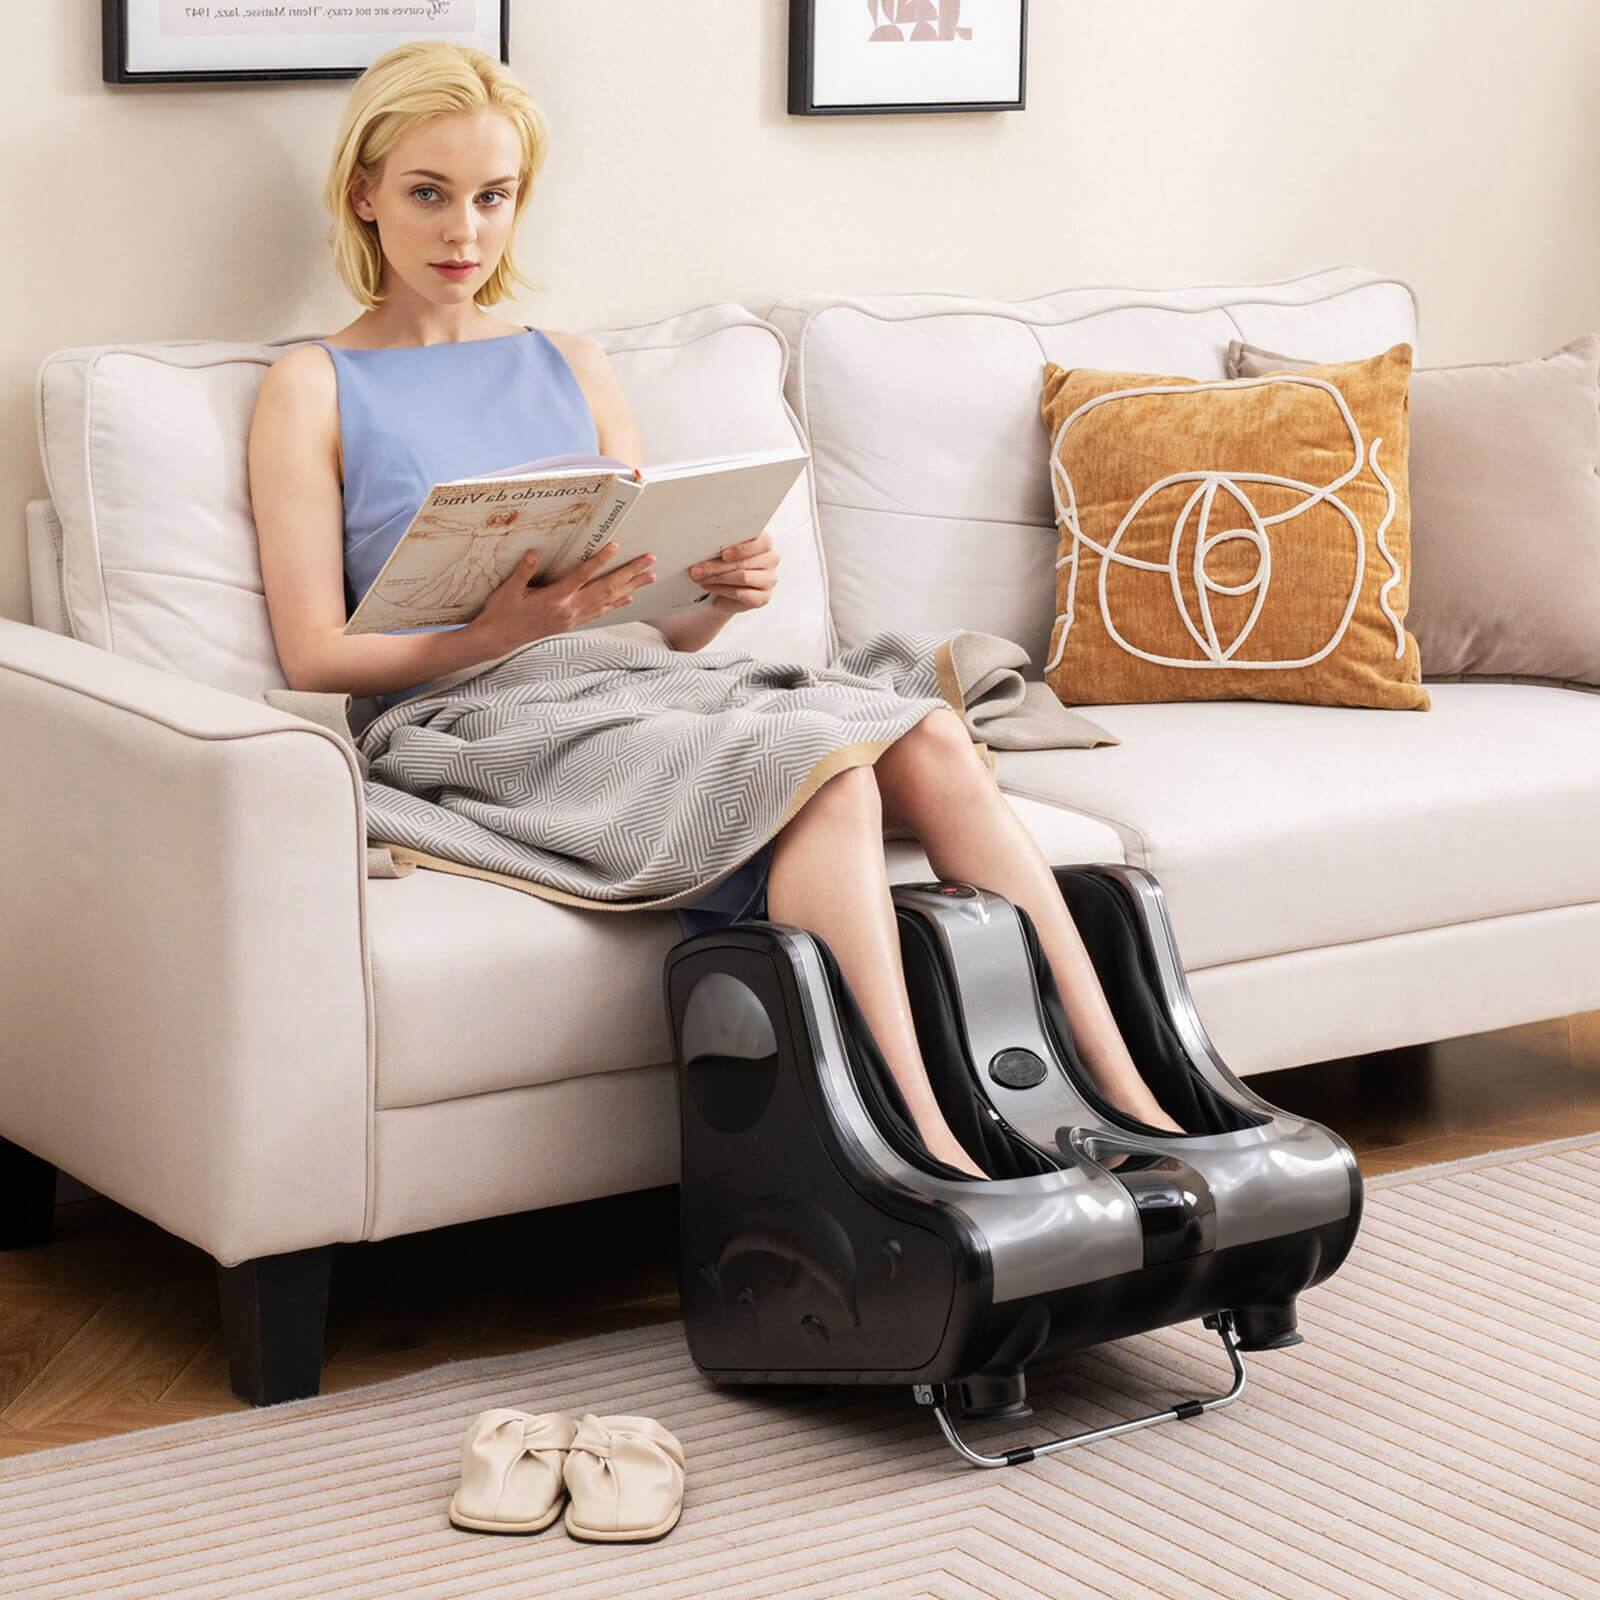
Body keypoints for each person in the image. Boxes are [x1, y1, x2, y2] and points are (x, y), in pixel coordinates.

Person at [248, 40, 1183, 1183]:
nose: (463, 232)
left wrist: (715, 595)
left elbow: (654, 617)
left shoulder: (573, 362)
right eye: (428, 195)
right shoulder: (311, 385)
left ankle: (1131, 1100)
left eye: (491, 198)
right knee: (826, 768)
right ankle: (923, 1156)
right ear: (366, 196)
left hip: (637, 679)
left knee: (932, 731)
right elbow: (314, 650)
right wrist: (507, 631)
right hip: (470, 715)